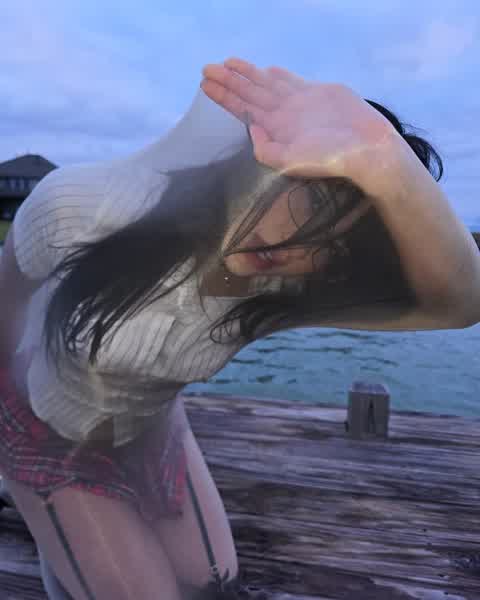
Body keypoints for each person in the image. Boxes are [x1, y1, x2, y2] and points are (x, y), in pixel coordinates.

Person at [0, 57, 479, 600]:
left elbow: (462, 304)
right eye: (312, 195)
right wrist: (15, 447)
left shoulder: (283, 292)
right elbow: (5, 317)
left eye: (338, 242)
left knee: (213, 587)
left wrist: (387, 162)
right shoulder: (85, 210)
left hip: (152, 435)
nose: (298, 243)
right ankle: (43, 522)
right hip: (47, 433)